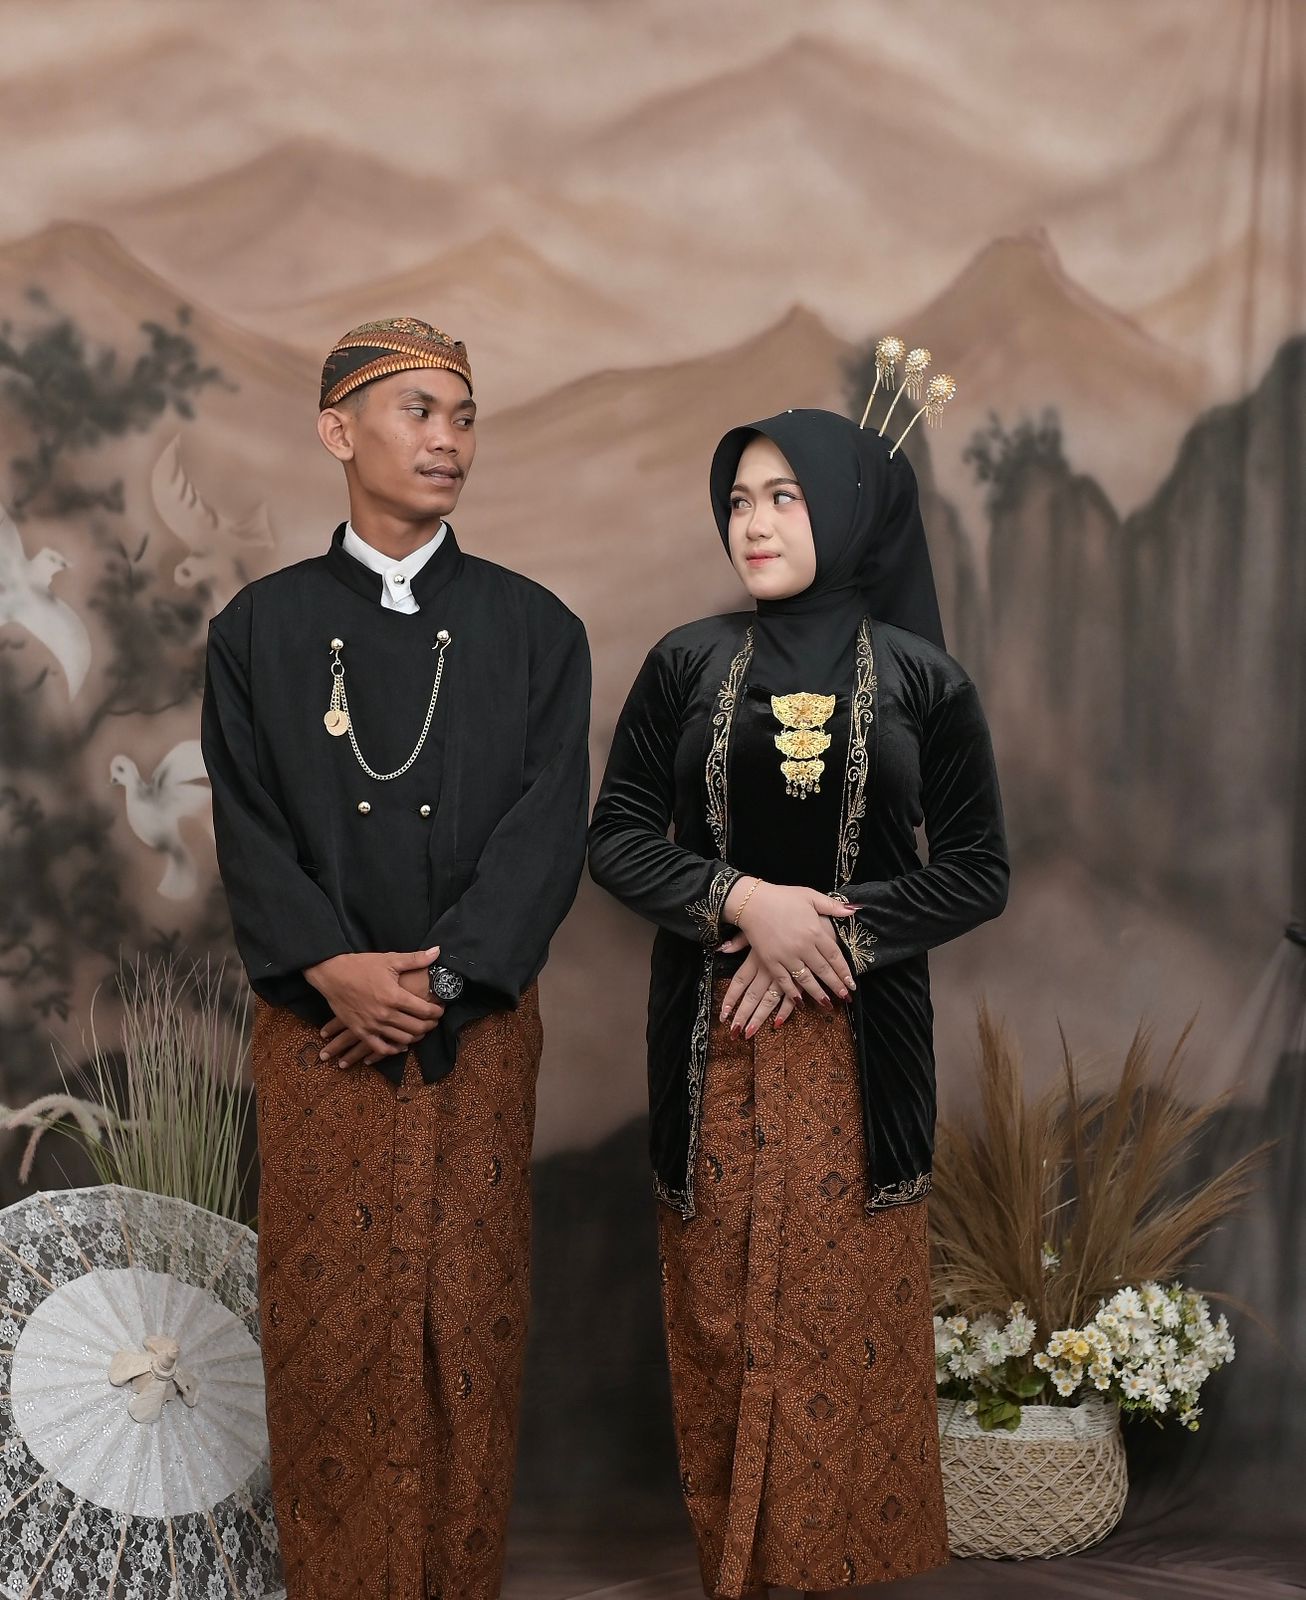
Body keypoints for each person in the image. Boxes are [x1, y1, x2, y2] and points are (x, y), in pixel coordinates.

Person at [588, 402, 1008, 1597]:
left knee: (840, 1329)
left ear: (851, 508)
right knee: (724, 1317)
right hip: (709, 1045)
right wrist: (740, 900)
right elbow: (614, 836)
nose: (753, 523)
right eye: (738, 500)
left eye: (784, 496)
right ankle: (741, 1576)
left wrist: (821, 934)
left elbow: (978, 870)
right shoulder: (685, 661)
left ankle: (834, 1574)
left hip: (858, 1058)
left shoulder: (925, 679)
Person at [202, 317, 591, 1600]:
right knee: (327, 1342)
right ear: (338, 430)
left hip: (475, 1033)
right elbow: (248, 826)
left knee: (467, 1328)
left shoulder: (537, 628)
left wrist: (440, 980)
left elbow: (548, 829)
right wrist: (332, 966)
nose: (448, 438)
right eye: (418, 410)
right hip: (317, 1037)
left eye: (464, 416)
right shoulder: (256, 629)